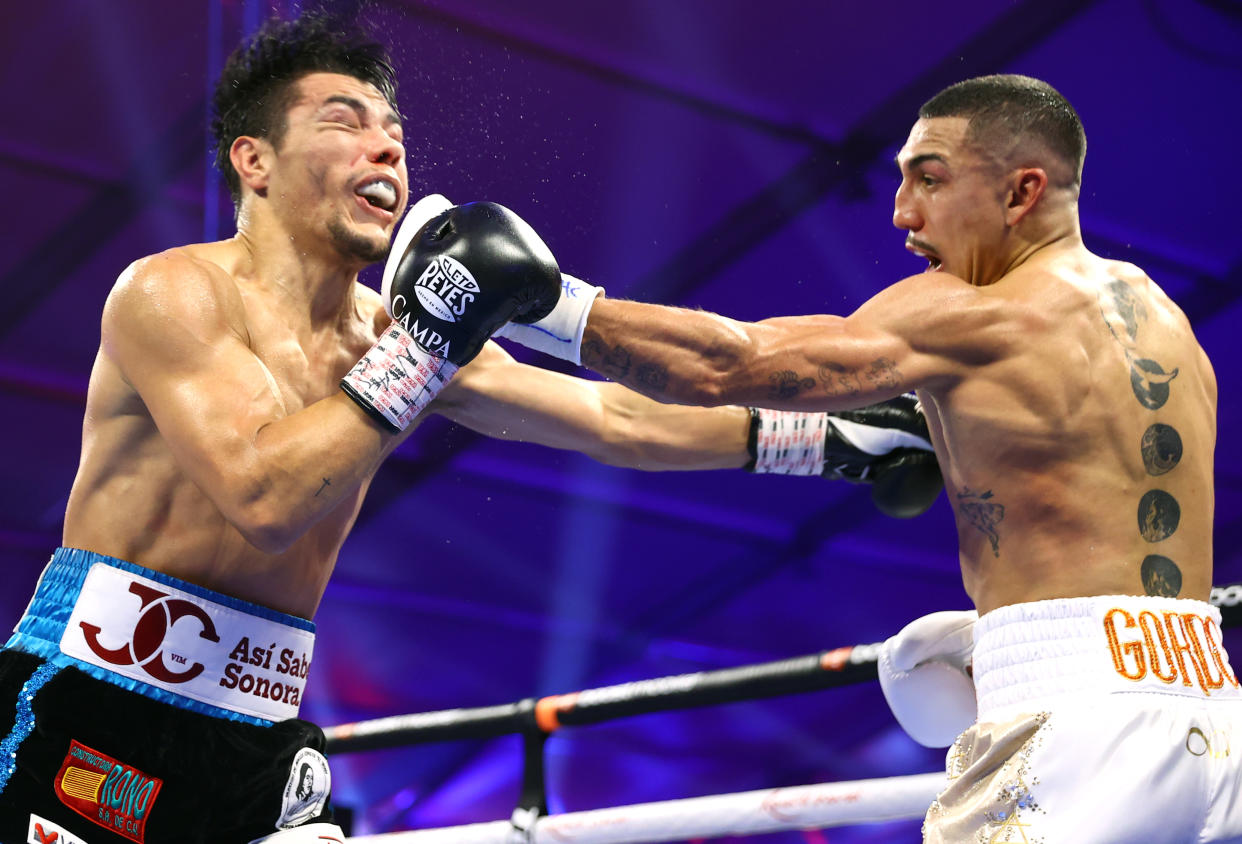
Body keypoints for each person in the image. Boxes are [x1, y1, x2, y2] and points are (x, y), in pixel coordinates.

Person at [0, 14, 939, 844]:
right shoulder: (173, 295)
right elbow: (263, 495)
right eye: (345, 122)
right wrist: (425, 346)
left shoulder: (391, 335)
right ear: (255, 161)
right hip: (94, 706)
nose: (386, 150)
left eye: (395, 133)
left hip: (257, 735)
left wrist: (829, 440)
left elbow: (612, 416)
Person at [499, 74, 1242, 842]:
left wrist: (545, 305)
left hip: (1079, 731)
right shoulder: (1166, 320)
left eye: (931, 177)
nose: (902, 212)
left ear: (1022, 191)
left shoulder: (978, 312)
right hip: (1215, 724)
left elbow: (733, 364)